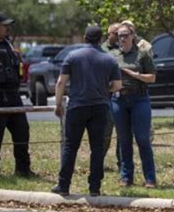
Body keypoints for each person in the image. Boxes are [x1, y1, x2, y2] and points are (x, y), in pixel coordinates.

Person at [51, 25, 122, 196]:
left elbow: (61, 82)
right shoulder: (110, 59)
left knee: (70, 146)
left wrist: (58, 104)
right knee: (97, 148)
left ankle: (64, 185)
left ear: (84, 38)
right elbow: (118, 86)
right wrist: (105, 90)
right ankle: (94, 187)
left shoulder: (73, 56)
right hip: (100, 107)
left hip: (77, 106)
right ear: (100, 39)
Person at [0, 12, 34, 177]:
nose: (8, 28)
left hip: (13, 95)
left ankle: (23, 169)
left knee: (22, 131)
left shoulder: (8, 44)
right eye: (4, 25)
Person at [110, 23, 157, 188]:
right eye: (119, 35)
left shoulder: (142, 54)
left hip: (139, 99)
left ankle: (150, 178)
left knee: (143, 139)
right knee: (124, 140)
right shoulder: (113, 56)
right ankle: (126, 177)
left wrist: (135, 75)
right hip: (118, 100)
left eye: (125, 35)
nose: (122, 38)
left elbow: (152, 77)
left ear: (133, 36)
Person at [101, 23, 122, 170]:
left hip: (123, 96)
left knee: (123, 133)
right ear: (109, 34)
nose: (119, 36)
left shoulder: (126, 47)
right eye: (116, 33)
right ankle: (98, 162)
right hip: (107, 96)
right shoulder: (102, 50)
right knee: (105, 133)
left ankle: (122, 163)